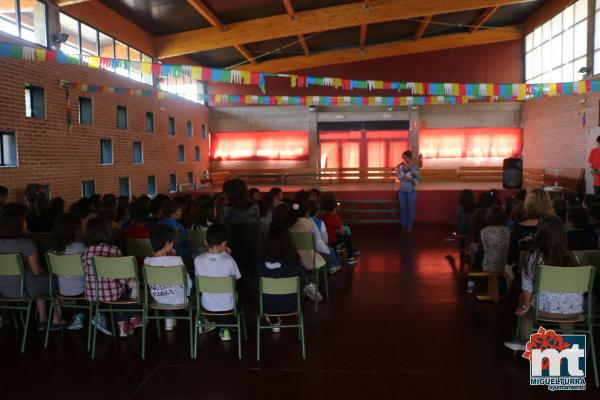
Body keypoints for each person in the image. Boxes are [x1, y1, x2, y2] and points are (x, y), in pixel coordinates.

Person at [504, 215, 582, 351]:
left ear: (540, 233)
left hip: (543, 310)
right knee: (566, 307)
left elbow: (527, 286)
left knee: (524, 302)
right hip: (573, 311)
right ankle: (570, 346)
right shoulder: (572, 256)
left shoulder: (534, 255)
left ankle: (526, 341)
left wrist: (525, 305)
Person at [0, 208, 60, 330]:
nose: (26, 224)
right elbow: (37, 271)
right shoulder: (27, 244)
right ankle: (52, 320)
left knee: (38, 283)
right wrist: (49, 274)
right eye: (24, 221)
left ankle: (42, 319)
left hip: (2, 289)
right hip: (24, 289)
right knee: (55, 281)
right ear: (18, 225)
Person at [83, 217, 143, 338]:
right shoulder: (113, 250)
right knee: (126, 288)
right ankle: (133, 317)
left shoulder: (86, 251)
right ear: (107, 232)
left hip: (92, 293)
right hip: (112, 293)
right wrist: (129, 281)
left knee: (117, 292)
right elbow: (121, 276)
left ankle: (123, 324)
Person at [194, 223, 241, 342]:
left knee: (199, 292)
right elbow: (236, 280)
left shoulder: (198, 260)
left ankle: (202, 322)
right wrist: (228, 254)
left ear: (206, 242)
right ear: (225, 244)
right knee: (230, 293)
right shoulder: (229, 261)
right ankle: (225, 330)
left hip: (206, 305)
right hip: (229, 305)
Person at [256, 224, 306, 332]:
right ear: (290, 244)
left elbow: (257, 287)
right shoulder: (296, 266)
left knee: (268, 297)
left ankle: (274, 320)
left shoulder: (260, 265)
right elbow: (302, 284)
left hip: (266, 306)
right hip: (292, 304)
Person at [144, 225, 192, 331]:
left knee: (167, 288)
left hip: (158, 298)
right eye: (172, 241)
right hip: (179, 298)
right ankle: (201, 321)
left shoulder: (147, 261)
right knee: (189, 286)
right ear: (167, 243)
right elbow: (187, 281)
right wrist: (173, 257)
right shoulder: (177, 260)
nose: (174, 243)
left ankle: (168, 319)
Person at [50, 213, 87, 331]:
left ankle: (56, 320)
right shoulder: (82, 247)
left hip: (62, 290)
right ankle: (82, 317)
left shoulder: (54, 249)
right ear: (76, 230)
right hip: (83, 291)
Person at [288, 201, 333, 273]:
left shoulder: (289, 225)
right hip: (310, 260)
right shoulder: (311, 225)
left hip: (293, 259)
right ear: (307, 212)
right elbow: (318, 245)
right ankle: (321, 278)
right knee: (329, 257)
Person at [321, 195, 358, 266]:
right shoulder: (333, 217)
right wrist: (338, 229)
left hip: (325, 239)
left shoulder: (324, 216)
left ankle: (338, 254)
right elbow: (341, 232)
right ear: (334, 208)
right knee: (347, 237)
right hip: (332, 240)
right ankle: (350, 257)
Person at [480, 206, 510, 272]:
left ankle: (472, 281)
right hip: (506, 265)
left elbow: (485, 249)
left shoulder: (484, 231)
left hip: (489, 266)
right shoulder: (508, 230)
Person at [396, 150, 420, 234]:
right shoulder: (401, 167)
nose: (404, 160)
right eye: (403, 158)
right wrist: (399, 174)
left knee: (410, 209)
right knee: (403, 209)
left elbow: (417, 181)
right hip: (402, 190)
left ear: (410, 157)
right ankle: (404, 227)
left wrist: (411, 179)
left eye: (406, 158)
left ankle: (409, 227)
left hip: (411, 191)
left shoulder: (415, 167)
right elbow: (398, 177)